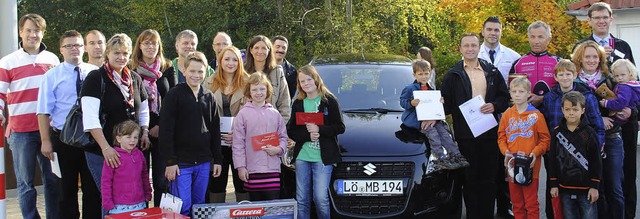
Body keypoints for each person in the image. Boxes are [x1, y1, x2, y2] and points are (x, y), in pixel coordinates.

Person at [440, 33, 510, 219]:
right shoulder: (452, 75)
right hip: (465, 137)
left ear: (479, 48)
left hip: (489, 134)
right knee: (469, 181)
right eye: (466, 46)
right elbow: (445, 106)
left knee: (488, 181)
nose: (470, 48)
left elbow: (504, 98)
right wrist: (432, 106)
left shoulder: (492, 72)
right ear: (460, 49)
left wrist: (494, 105)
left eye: (473, 45)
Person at [576, 4, 637, 217]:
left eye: (605, 17)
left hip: (621, 123)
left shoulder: (622, 45)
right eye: (596, 18)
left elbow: (632, 80)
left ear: (611, 19)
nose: (601, 21)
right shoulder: (582, 46)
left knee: (624, 174)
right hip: (593, 125)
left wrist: (633, 110)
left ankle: (627, 214)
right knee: (596, 178)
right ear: (589, 20)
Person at [80, 34, 150, 218]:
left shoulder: (133, 77)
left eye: (125, 53)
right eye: (116, 53)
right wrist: (106, 148)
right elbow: (90, 119)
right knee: (109, 198)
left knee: (131, 196)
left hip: (130, 151)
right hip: (102, 152)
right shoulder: (96, 78)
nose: (121, 57)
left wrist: (144, 132)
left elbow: (143, 110)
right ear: (107, 53)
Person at [0, 13, 60, 219]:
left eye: (37, 30)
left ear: (43, 33)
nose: (33, 35)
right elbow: (0, 92)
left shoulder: (52, 59)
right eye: (28, 30)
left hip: (49, 130)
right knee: (25, 183)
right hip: (20, 131)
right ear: (20, 32)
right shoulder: (8, 61)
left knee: (52, 180)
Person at [36, 30, 101, 219]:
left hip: (91, 140)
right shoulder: (51, 76)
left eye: (78, 45)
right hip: (63, 140)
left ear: (84, 48)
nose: (74, 49)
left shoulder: (95, 73)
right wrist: (45, 141)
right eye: (69, 46)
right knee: (65, 192)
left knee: (93, 190)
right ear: (61, 50)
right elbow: (43, 110)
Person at [159, 51, 223, 216]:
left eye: (200, 71)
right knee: (183, 207)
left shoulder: (209, 97)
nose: (196, 75)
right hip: (181, 164)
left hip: (203, 162)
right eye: (192, 71)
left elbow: (215, 131)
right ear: (184, 70)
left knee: (199, 206)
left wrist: (217, 160)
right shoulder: (174, 95)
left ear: (206, 72)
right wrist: (170, 161)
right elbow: (166, 131)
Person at [573, 40, 625, 219]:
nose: (591, 60)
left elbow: (627, 104)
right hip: (586, 141)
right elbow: (569, 112)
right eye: (587, 56)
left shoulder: (610, 79)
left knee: (615, 188)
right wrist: (598, 119)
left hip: (611, 138)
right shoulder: (574, 82)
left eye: (595, 56)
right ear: (580, 58)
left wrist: (627, 111)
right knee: (596, 188)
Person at [287, 65, 345, 219]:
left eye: (308, 79)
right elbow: (291, 130)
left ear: (316, 79)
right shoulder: (299, 103)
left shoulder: (329, 100)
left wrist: (319, 129)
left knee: (320, 198)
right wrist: (307, 136)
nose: (306, 83)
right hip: (302, 157)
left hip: (323, 158)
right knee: (302, 199)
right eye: (302, 81)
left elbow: (340, 127)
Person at [128, 29, 173, 207]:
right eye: (146, 43)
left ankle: (161, 214)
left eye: (154, 43)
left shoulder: (167, 68)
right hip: (138, 131)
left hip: (163, 130)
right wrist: (142, 129)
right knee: (141, 179)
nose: (150, 46)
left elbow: (172, 99)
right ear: (139, 45)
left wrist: (160, 126)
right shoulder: (130, 69)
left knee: (162, 181)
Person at [400, 59, 469, 171]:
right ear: (414, 75)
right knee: (433, 133)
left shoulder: (431, 88)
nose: (423, 76)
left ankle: (456, 155)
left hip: (432, 118)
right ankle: (440, 157)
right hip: (419, 121)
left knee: (444, 132)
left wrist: (440, 101)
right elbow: (402, 101)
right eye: (420, 74)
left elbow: (434, 105)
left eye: (426, 73)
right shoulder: (410, 89)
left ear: (430, 73)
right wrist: (411, 103)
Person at [497, 77, 550, 219]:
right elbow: (501, 137)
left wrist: (535, 152)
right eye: (514, 91)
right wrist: (505, 151)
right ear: (510, 93)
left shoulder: (536, 115)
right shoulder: (507, 114)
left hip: (531, 166)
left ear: (528, 93)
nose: (517, 94)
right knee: (516, 203)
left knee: (531, 203)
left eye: (521, 91)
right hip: (512, 164)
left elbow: (545, 140)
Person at [203, 46, 250, 203]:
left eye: (235, 59)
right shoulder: (208, 82)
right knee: (216, 184)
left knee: (242, 184)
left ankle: (246, 214)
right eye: (227, 59)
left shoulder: (248, 82)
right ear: (220, 61)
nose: (231, 63)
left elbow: (255, 113)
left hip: (242, 142)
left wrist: (239, 133)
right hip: (216, 143)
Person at [232, 73, 288, 201]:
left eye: (262, 89)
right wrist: (241, 167)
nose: (258, 92)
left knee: (272, 207)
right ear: (249, 92)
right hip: (252, 171)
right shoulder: (243, 114)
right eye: (254, 89)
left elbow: (283, 138)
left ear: (268, 90)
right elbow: (238, 144)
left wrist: (279, 149)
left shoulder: (275, 114)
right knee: (256, 208)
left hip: (272, 170)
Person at [548, 91, 602, 219]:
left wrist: (595, 186)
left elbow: (597, 161)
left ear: (583, 110)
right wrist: (553, 184)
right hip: (564, 188)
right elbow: (552, 160)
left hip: (586, 189)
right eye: (567, 109)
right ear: (562, 110)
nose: (571, 112)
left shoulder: (589, 133)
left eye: (575, 109)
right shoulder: (557, 133)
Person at [102, 120, 152, 215]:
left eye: (135, 137)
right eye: (128, 137)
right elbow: (106, 181)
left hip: (139, 203)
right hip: (119, 206)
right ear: (119, 138)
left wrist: (148, 192)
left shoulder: (140, 155)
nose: (132, 140)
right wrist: (107, 202)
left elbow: (144, 175)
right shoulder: (113, 157)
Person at [510, 21, 560, 107]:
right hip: (525, 112)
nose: (536, 41)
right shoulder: (518, 63)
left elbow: (566, 90)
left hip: (553, 111)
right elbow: (510, 92)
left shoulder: (558, 62)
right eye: (532, 37)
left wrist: (543, 98)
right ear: (528, 39)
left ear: (548, 40)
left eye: (540, 37)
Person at [244, 35, 291, 121]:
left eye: (264, 48)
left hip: (272, 125)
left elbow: (285, 102)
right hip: (247, 124)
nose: (260, 51)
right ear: (251, 50)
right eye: (256, 48)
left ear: (269, 50)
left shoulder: (277, 72)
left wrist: (280, 125)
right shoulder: (242, 72)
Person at [478, 16, 520, 85]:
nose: (493, 33)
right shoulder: (472, 56)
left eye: (496, 30)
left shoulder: (514, 57)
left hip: (505, 95)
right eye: (489, 29)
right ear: (483, 32)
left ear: (501, 33)